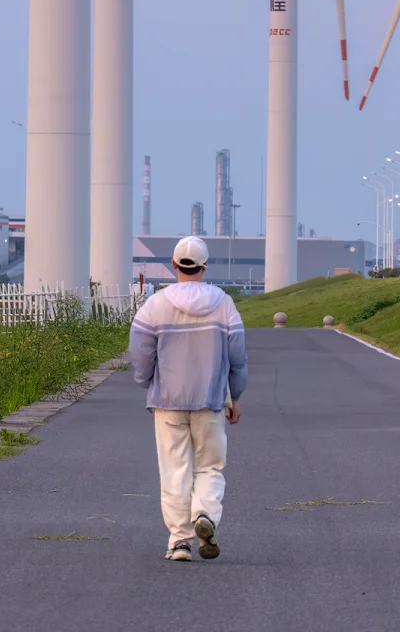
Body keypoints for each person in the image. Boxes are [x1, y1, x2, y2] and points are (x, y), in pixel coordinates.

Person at [129, 235, 247, 563]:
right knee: (209, 465)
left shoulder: (156, 304)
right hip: (210, 399)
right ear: (205, 266)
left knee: (175, 469)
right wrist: (235, 396)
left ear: (174, 265)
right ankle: (204, 514)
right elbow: (238, 356)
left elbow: (140, 351)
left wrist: (146, 380)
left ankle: (180, 542)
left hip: (167, 400)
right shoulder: (223, 303)